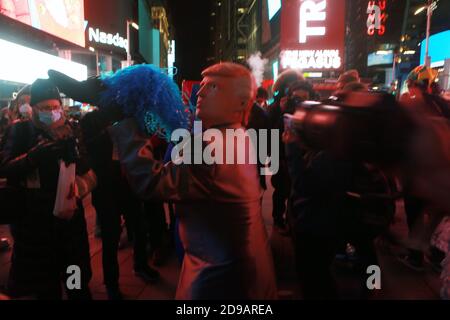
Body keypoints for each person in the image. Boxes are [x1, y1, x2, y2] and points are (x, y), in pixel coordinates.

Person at [109, 62, 277, 300]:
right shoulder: (236, 134)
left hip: (218, 276)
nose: (201, 92)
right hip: (243, 270)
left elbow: (150, 182)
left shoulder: (210, 144)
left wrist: (125, 125)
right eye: (203, 85)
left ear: (241, 102)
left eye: (215, 87)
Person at [0, 79, 96, 300]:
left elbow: (87, 169)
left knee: (76, 280)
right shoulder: (21, 131)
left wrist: (75, 156)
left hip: (70, 222)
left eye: (55, 107)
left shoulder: (70, 129)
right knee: (45, 285)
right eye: (45, 108)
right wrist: (34, 156)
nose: (51, 112)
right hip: (35, 224)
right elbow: (5, 168)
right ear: (34, 109)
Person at [80, 110, 160, 300]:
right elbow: (88, 149)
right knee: (111, 238)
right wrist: (109, 133)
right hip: (106, 188)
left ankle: (140, 265)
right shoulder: (92, 119)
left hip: (129, 185)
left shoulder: (129, 117)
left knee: (140, 227)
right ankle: (111, 284)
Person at [267, 69, 304, 232]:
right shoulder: (275, 106)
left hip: (298, 152)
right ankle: (278, 218)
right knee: (281, 188)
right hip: (279, 152)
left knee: (296, 188)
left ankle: (292, 219)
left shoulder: (304, 104)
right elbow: (269, 132)